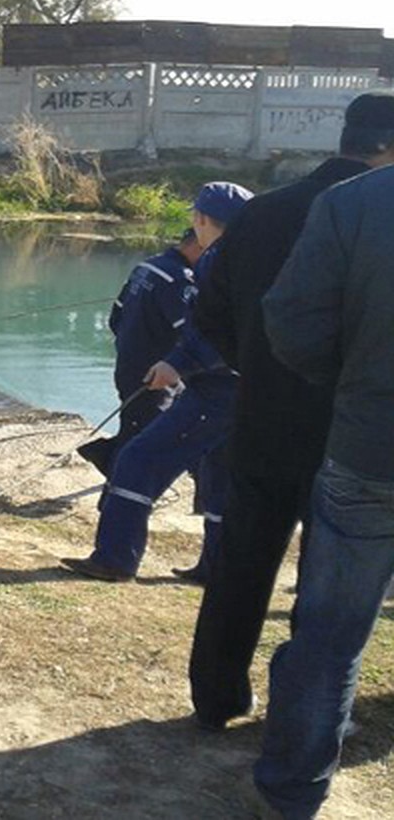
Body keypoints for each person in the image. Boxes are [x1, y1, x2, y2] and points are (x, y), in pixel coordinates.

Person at [186, 92, 394, 733]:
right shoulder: (375, 219)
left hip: (263, 417)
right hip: (351, 433)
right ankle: (301, 714)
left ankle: (216, 695)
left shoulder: (265, 212)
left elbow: (208, 311)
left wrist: (253, 363)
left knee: (241, 560)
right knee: (327, 584)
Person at [251, 147, 394, 820]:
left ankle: (290, 794)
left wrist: (352, 384)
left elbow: (292, 320)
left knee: (331, 635)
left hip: (369, 449)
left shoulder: (356, 202)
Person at [60, 182, 252, 583]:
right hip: (243, 391)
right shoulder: (253, 260)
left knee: (137, 460)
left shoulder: (211, 264)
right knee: (220, 475)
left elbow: (215, 333)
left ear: (200, 219)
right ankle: (216, 567)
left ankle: (115, 558)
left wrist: (177, 364)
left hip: (214, 390)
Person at [77, 227, 203, 477]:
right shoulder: (178, 280)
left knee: (141, 427)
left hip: (131, 366)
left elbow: (116, 318)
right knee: (146, 439)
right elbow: (192, 334)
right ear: (198, 245)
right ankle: (112, 477)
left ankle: (107, 458)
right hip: (155, 375)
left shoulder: (148, 266)